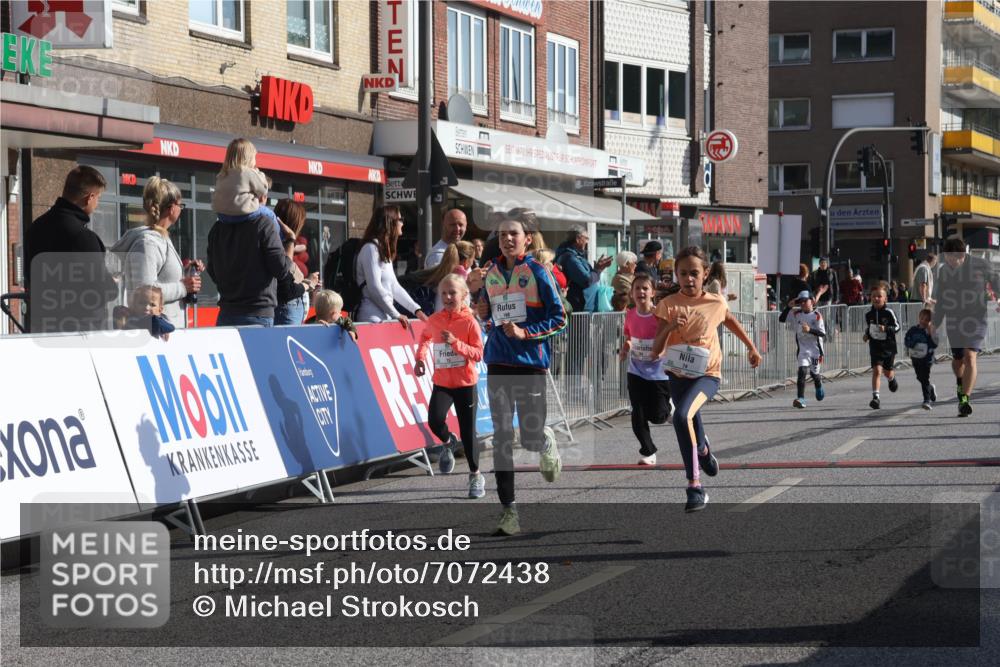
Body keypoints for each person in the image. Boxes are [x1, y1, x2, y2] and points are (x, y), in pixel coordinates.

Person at [476, 213, 567, 536]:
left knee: (529, 436)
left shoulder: (539, 271)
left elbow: (560, 318)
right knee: (502, 437)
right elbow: (490, 314)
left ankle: (544, 439)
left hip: (530, 363)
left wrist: (525, 333)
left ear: (527, 238)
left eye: (513, 233)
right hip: (498, 361)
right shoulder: (491, 272)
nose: (507, 239)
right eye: (502, 235)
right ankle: (508, 511)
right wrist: (483, 313)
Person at [651, 246, 761, 512]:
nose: (689, 279)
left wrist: (751, 347)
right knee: (690, 421)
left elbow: (730, 320)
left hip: (707, 375)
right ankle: (702, 451)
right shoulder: (668, 305)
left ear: (705, 274)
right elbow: (656, 350)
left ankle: (695, 486)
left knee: (681, 417)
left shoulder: (715, 302)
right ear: (676, 274)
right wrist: (670, 326)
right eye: (683, 274)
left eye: (694, 273)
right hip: (678, 375)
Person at [23, 165, 119, 333]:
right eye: (98, 198)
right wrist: (111, 283)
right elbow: (102, 290)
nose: (97, 204)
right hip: (80, 332)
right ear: (89, 198)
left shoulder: (35, 228)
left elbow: (30, 278)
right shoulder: (83, 237)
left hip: (42, 327)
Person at [415, 274, 485, 492]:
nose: (447, 297)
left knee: (468, 433)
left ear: (463, 295)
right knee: (435, 421)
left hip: (465, 384)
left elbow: (478, 354)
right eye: (443, 293)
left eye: (452, 293)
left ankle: (475, 475)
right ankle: (447, 442)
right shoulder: (435, 320)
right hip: (443, 382)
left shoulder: (470, 322)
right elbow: (425, 337)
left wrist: (456, 343)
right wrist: (420, 358)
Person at [110, 176, 200, 330]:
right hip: (155, 333)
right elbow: (144, 290)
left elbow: (160, 279)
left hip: (164, 329)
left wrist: (185, 272)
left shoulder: (160, 238)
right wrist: (183, 287)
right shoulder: (148, 243)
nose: (181, 209)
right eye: (180, 205)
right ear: (172, 208)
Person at [929, 237, 1000, 417]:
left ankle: (964, 400)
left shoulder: (980, 265)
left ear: (962, 255)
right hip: (954, 320)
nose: (951, 261)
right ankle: (961, 382)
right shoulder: (944, 271)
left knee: (970, 356)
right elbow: (942, 300)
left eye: (954, 258)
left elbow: (996, 281)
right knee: (958, 360)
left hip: (976, 319)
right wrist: (935, 323)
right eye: (948, 257)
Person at [619, 273, 671, 465]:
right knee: (637, 414)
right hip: (636, 372)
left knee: (658, 416)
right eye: (637, 288)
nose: (641, 291)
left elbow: (669, 337)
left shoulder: (659, 315)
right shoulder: (630, 314)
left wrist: (662, 350)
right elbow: (629, 337)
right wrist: (625, 349)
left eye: (645, 288)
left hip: (659, 373)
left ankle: (669, 409)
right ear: (632, 293)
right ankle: (648, 451)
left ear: (652, 293)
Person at [356, 205, 429, 326]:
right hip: (371, 318)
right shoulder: (371, 249)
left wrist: (416, 310)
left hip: (385, 317)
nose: (403, 223)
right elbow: (374, 287)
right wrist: (396, 314)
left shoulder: (383, 249)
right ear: (389, 222)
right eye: (400, 219)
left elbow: (394, 286)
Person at [211, 138, 279, 229]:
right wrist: (258, 172)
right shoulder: (247, 172)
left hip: (222, 215)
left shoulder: (222, 174)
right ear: (249, 158)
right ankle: (281, 236)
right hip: (242, 214)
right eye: (254, 157)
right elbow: (263, 188)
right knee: (270, 214)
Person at [273, 199, 319, 326]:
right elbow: (287, 289)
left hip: (289, 311)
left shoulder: (277, 243)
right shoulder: (279, 247)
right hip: (286, 311)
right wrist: (309, 284)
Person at [779, 290, 826, 408]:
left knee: (815, 374)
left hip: (815, 350)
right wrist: (788, 307)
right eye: (800, 302)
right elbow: (781, 319)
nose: (803, 303)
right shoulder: (796, 314)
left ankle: (818, 384)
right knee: (802, 372)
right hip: (803, 349)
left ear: (812, 301)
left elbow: (822, 333)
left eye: (805, 301)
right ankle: (801, 398)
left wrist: (810, 330)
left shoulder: (817, 316)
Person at [554, 226, 613, 312]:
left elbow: (589, 277)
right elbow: (587, 280)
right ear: (578, 239)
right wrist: (597, 270)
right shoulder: (570, 258)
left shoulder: (575, 256)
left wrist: (597, 269)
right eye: (586, 238)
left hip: (581, 306)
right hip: (577, 307)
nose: (587, 242)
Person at [862, 286, 900, 410]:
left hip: (888, 347)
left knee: (887, 372)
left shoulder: (889, 312)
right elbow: (870, 328)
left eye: (879, 296)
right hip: (875, 347)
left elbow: (897, 327)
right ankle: (876, 398)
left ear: (885, 299)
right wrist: (867, 335)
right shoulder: (868, 314)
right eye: (874, 296)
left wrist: (887, 328)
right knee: (877, 371)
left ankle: (891, 378)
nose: (876, 298)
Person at [904, 308, 938, 410]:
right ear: (919, 318)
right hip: (916, 358)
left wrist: (930, 334)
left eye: (927, 320)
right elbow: (907, 339)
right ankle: (930, 388)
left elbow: (935, 344)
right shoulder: (913, 330)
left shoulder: (931, 331)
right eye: (922, 318)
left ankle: (926, 400)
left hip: (927, 359)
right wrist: (911, 343)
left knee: (924, 378)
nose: (924, 321)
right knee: (920, 377)